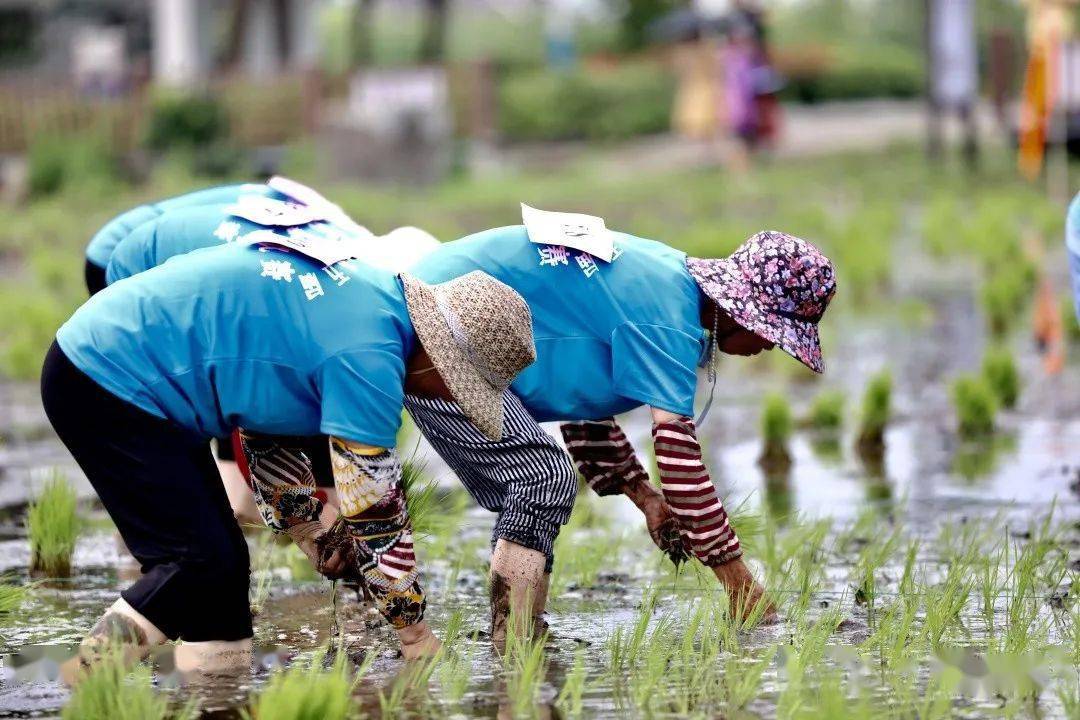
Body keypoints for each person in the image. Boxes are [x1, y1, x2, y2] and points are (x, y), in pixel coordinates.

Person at [42, 237, 537, 673]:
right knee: (196, 565)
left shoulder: (374, 305)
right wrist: (416, 638)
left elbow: (266, 433)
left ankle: (215, 698)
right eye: (459, 389)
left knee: (223, 585)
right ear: (439, 361)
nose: (452, 401)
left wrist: (310, 529)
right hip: (110, 375)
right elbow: (377, 514)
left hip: (136, 374)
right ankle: (77, 685)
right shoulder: (370, 356)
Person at [406, 223, 837, 625]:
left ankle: (527, 643)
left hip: (426, 311)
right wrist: (740, 584)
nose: (770, 346)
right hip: (435, 328)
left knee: (539, 484)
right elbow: (680, 464)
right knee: (542, 479)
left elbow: (582, 402)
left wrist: (645, 497)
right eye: (773, 333)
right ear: (744, 310)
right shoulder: (669, 320)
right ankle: (513, 643)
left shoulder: (666, 283)